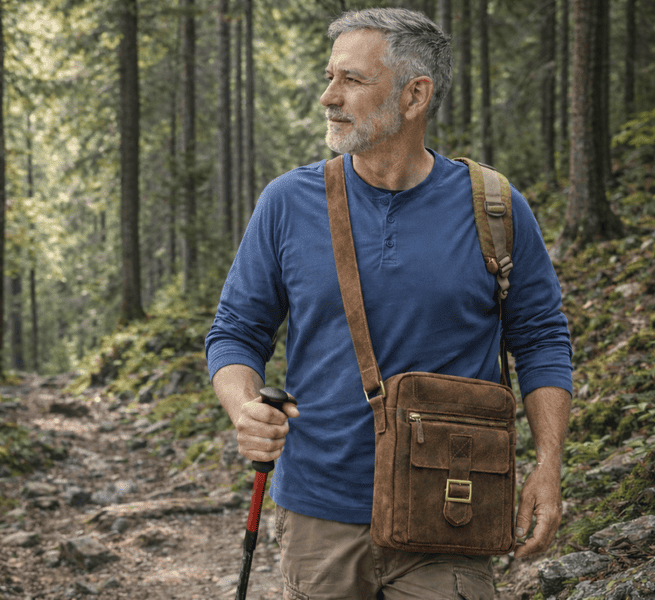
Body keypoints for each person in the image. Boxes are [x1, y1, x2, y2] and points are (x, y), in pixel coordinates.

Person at [206, 8, 572, 599]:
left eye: (352, 80)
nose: (329, 96)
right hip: (319, 512)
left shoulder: (496, 208)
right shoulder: (286, 203)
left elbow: (541, 340)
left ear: (414, 95)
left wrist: (548, 466)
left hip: (450, 508)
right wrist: (243, 406)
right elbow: (235, 331)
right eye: (330, 77)